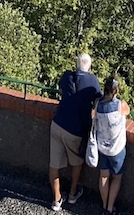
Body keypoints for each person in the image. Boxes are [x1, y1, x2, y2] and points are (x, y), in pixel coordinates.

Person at [48, 53, 101, 211]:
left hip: (58, 124)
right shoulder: (92, 81)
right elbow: (98, 101)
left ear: (76, 65)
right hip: (76, 129)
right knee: (77, 162)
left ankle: (56, 199)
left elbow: (61, 90)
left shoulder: (66, 76)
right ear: (89, 67)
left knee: (54, 164)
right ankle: (72, 194)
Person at [88, 77, 130, 213]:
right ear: (116, 92)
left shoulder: (97, 104)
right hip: (117, 149)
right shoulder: (120, 105)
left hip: (101, 147)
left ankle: (104, 203)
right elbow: (127, 112)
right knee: (116, 178)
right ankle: (110, 207)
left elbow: (93, 116)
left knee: (103, 176)